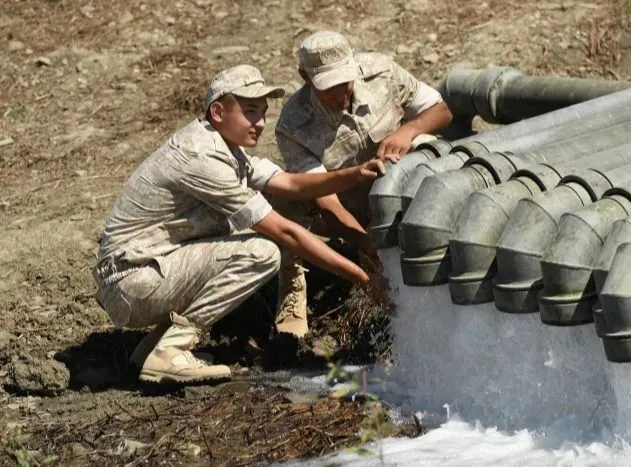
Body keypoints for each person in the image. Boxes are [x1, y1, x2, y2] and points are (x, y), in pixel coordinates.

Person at [92, 64, 387, 385]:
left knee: (242, 237)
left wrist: (357, 173)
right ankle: (172, 349)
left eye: (262, 112)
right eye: (249, 112)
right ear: (218, 112)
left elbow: (290, 184)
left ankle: (150, 351)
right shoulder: (202, 159)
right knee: (260, 251)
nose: (259, 123)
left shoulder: (224, 148)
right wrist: (362, 277)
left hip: (142, 274)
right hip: (132, 282)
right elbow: (286, 232)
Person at [273, 30, 453, 337]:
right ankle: (292, 285)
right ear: (305, 77)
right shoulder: (294, 124)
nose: (342, 91)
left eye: (346, 79)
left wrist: (407, 131)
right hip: (351, 211)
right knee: (283, 196)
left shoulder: (381, 72)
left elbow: (442, 112)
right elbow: (325, 199)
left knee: (426, 143)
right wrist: (366, 243)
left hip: (407, 195)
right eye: (329, 86)